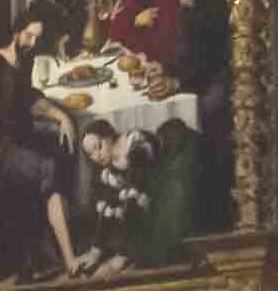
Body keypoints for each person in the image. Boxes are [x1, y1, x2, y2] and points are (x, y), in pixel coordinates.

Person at [0, 13, 86, 281]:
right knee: (47, 168)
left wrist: (61, 117)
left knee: (60, 149)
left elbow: (30, 100)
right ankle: (68, 258)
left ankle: (53, 251)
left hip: (20, 142)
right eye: (28, 36)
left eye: (37, 38)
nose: (33, 43)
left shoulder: (22, 63)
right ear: (16, 33)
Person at [76, 117, 201, 272]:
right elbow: (107, 207)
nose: (97, 155)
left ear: (109, 137)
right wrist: (95, 252)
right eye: (90, 154)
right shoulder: (108, 170)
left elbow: (136, 200)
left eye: (99, 147)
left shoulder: (136, 145)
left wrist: (121, 258)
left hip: (164, 200)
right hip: (142, 209)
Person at [175, 0, 231, 222]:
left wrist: (192, 13)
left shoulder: (217, 6)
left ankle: (213, 203)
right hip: (188, 77)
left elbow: (208, 57)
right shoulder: (177, 4)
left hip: (212, 78)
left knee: (207, 116)